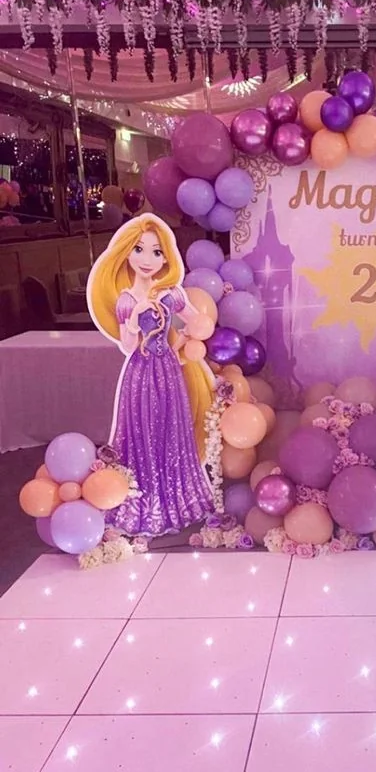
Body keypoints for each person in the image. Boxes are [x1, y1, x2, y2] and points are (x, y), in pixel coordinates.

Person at [87, 214, 214, 536]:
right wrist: (133, 320)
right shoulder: (126, 301)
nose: (147, 259)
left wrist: (186, 339)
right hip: (141, 373)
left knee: (173, 429)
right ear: (127, 253)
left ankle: (176, 499)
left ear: (166, 258)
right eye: (139, 249)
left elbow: (199, 322)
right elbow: (129, 346)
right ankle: (146, 499)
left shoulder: (171, 293)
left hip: (169, 370)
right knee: (142, 429)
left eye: (157, 252)